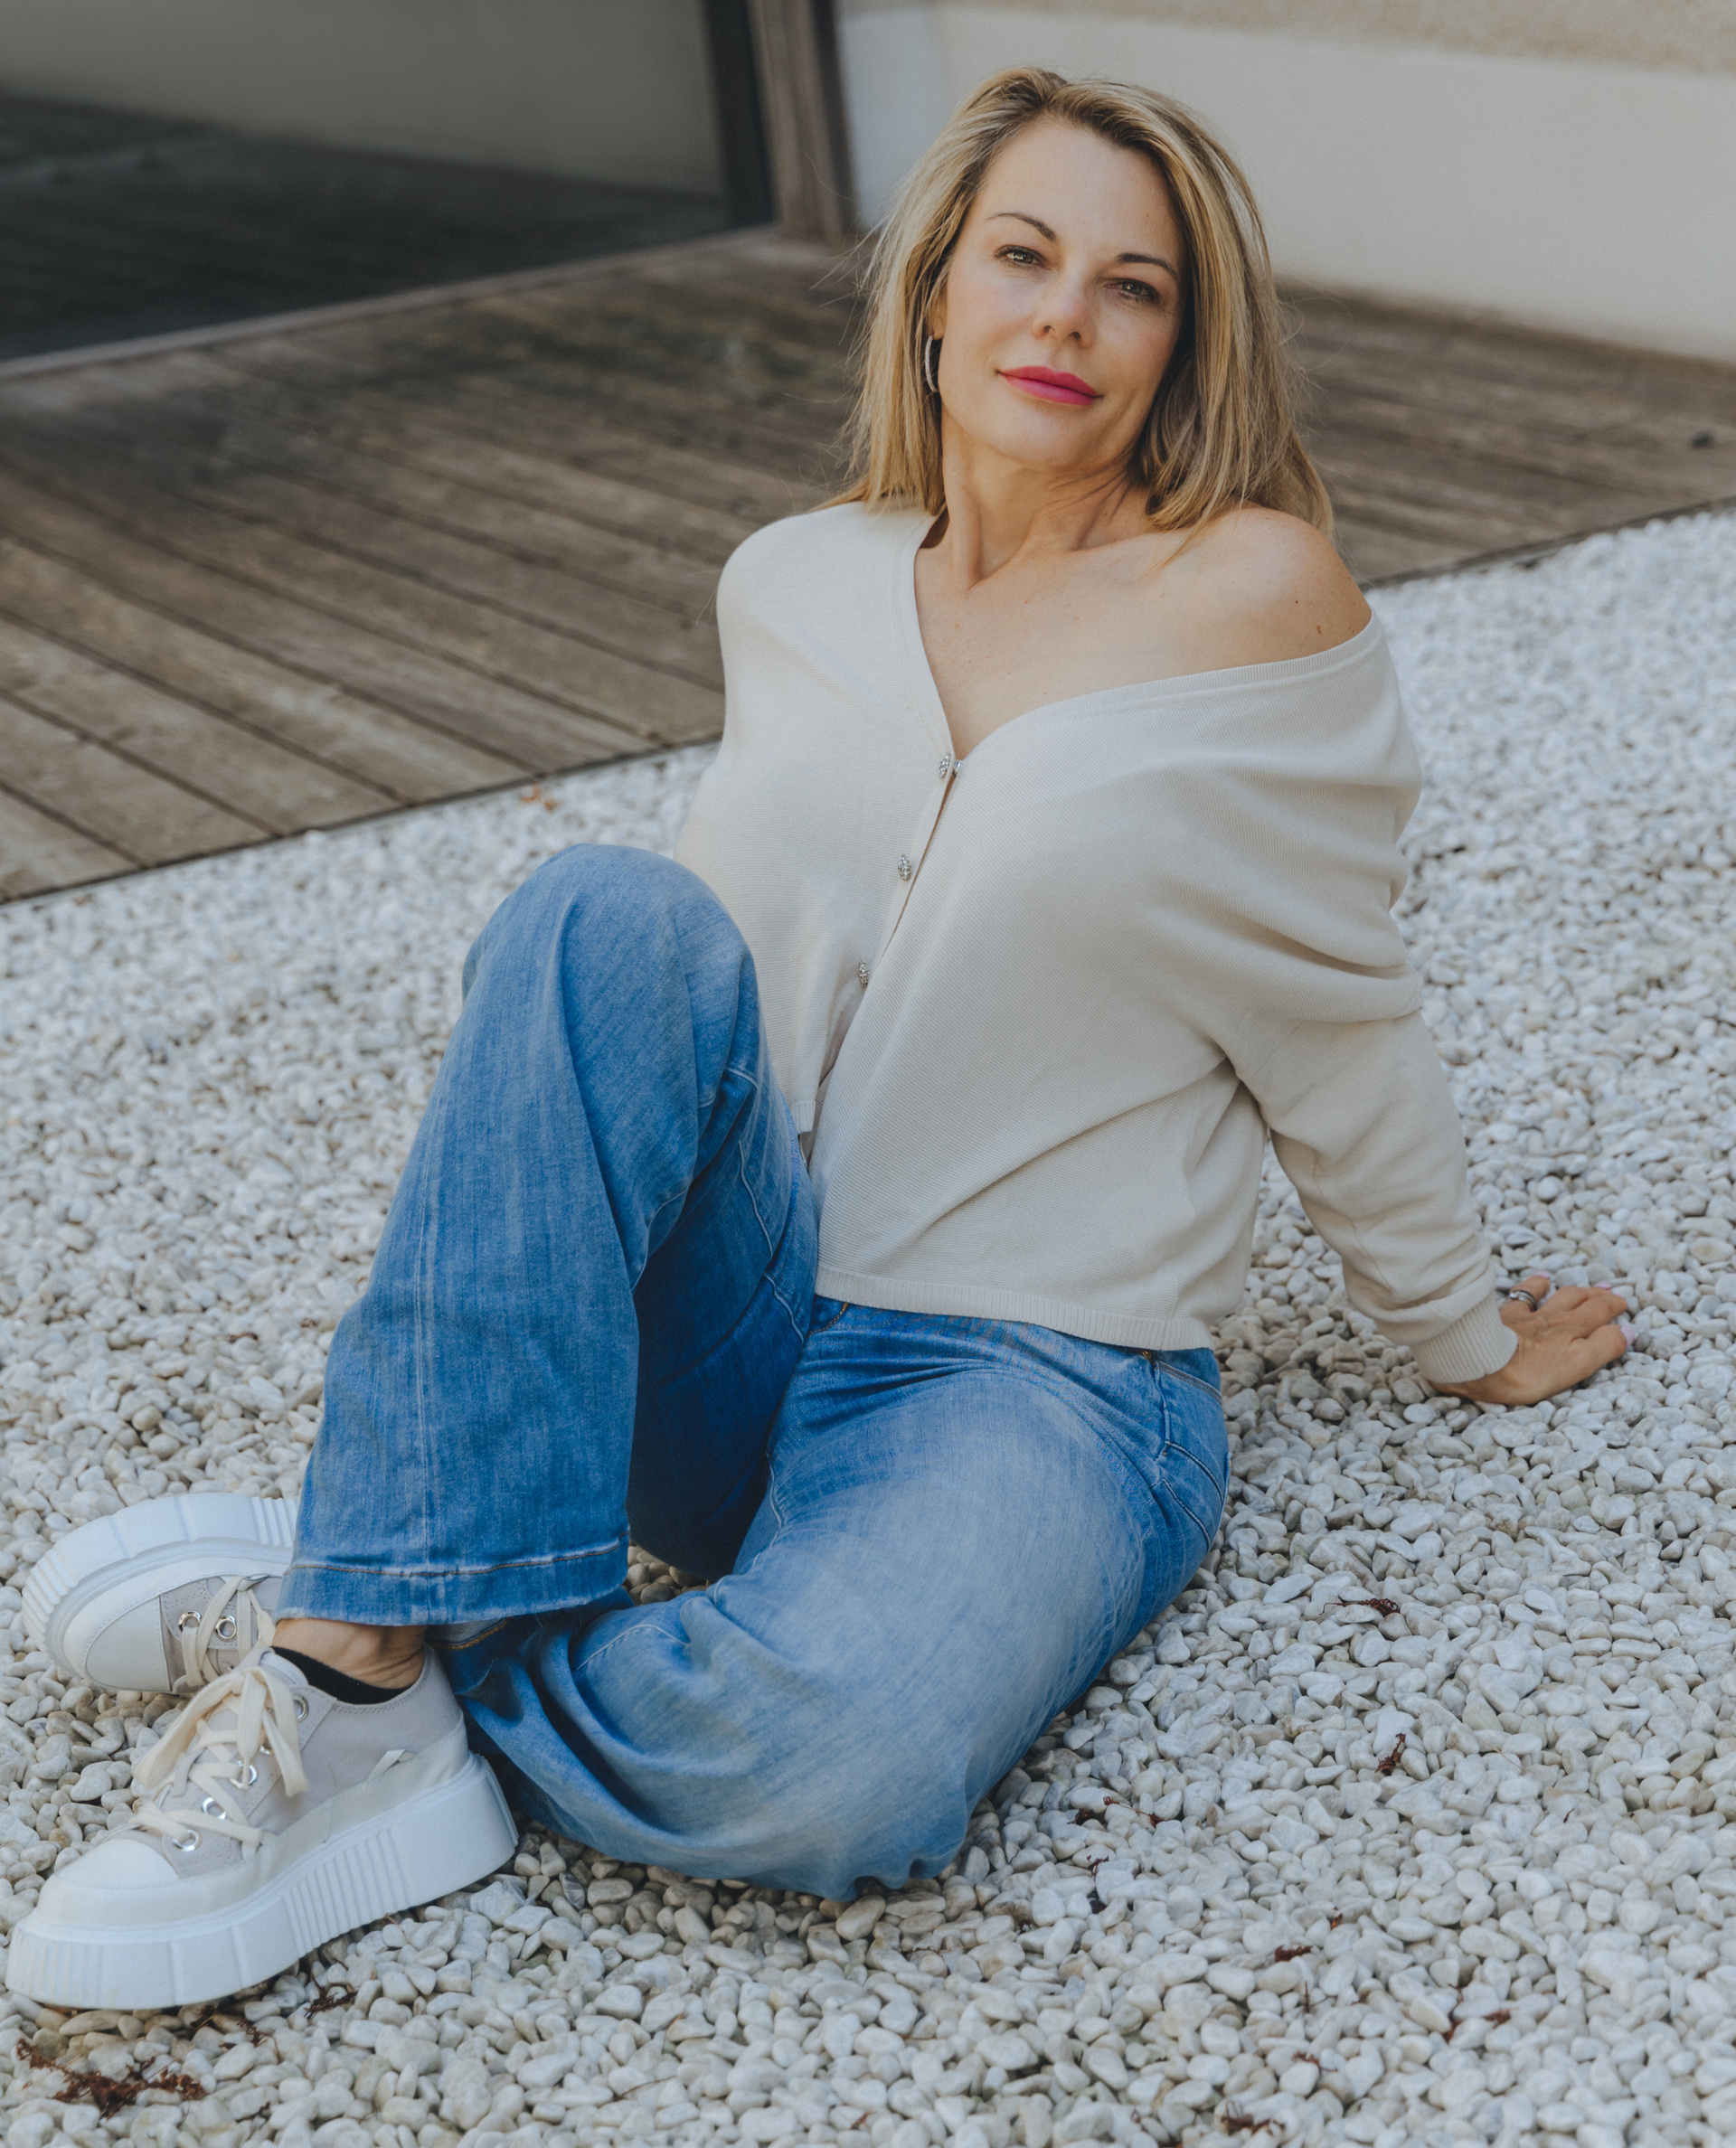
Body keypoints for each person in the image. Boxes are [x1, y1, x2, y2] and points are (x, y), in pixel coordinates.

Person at [8, 66, 1630, 2011]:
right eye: (1021, 256)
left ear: (1184, 344)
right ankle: (363, 1655)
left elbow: (1338, 1001)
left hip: (1038, 1371)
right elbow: (696, 991)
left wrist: (1459, 1329)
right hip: (745, 1315)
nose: (1063, 316)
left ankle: (383, 1597)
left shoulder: (1253, 594)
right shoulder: (794, 578)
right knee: (603, 910)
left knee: (823, 1762)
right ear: (934, 292)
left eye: (1132, 286)